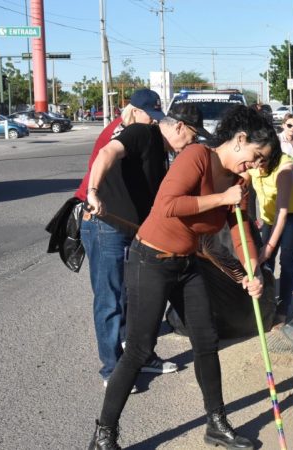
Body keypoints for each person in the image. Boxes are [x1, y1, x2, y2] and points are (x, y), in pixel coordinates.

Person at [87, 105, 280, 450]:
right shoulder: (196, 156)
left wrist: (254, 271)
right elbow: (168, 205)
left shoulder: (238, 183)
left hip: (188, 264)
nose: (253, 166)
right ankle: (104, 433)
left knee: (206, 342)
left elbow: (240, 231)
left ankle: (216, 424)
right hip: (151, 260)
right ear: (239, 140)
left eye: (259, 163)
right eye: (254, 157)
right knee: (139, 349)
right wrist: (223, 197)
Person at [75, 89, 189, 390]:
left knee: (136, 296)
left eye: (155, 116)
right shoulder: (136, 131)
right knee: (110, 297)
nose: (188, 144)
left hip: (132, 228)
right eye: (188, 137)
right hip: (106, 225)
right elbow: (106, 154)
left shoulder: (157, 145)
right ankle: (112, 369)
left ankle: (141, 356)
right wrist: (94, 193)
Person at [244, 116, 293, 327]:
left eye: (263, 161)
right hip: (270, 214)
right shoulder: (252, 162)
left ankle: (284, 308)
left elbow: (282, 214)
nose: (257, 166)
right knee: (265, 261)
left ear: (272, 155)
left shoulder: (285, 169)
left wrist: (268, 248)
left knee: (285, 258)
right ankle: (266, 306)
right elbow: (242, 189)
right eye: (254, 160)